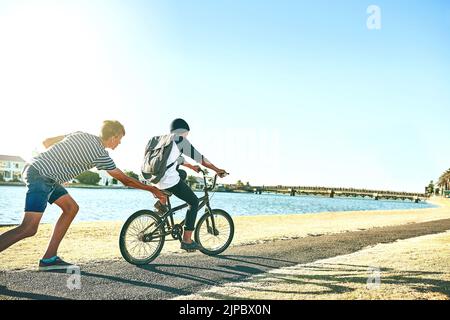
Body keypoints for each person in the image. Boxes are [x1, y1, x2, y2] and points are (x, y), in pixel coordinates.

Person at [0, 120, 167, 271]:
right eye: (120, 139)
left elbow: (47, 142)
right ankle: (48, 258)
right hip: (41, 176)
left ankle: (49, 258)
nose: (120, 143)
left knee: (71, 208)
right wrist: (153, 189)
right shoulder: (101, 154)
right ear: (113, 136)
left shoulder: (80, 134)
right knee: (29, 228)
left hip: (39, 171)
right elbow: (125, 180)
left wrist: (56, 167)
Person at [150, 118, 227, 252]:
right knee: (193, 202)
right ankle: (187, 240)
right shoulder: (179, 140)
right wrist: (217, 170)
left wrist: (192, 167)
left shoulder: (163, 140)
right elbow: (200, 158)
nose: (187, 136)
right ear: (183, 131)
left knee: (183, 175)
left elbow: (176, 159)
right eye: (187, 134)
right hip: (167, 179)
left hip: (154, 178)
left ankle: (162, 202)